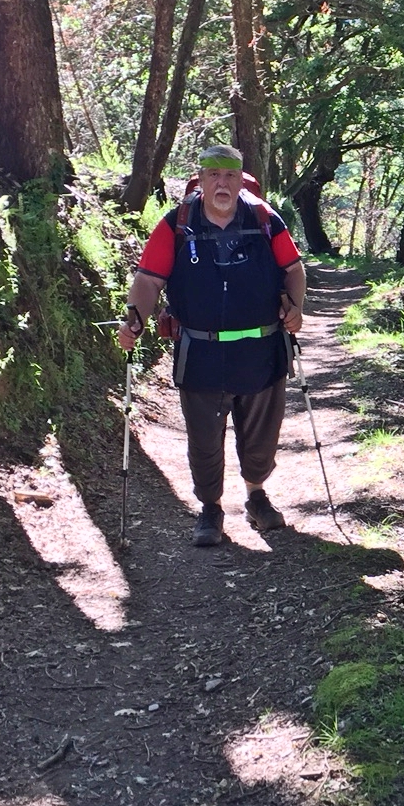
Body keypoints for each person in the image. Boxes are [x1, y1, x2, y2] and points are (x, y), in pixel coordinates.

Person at [117, 144, 308, 546]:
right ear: (201, 179)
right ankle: (211, 507)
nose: (222, 183)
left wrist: (295, 308)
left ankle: (257, 497)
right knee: (204, 439)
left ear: (241, 181)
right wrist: (136, 317)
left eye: (230, 176)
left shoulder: (264, 219)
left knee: (261, 437)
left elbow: (293, 269)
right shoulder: (177, 224)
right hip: (200, 351)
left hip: (262, 348)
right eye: (214, 176)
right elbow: (149, 279)